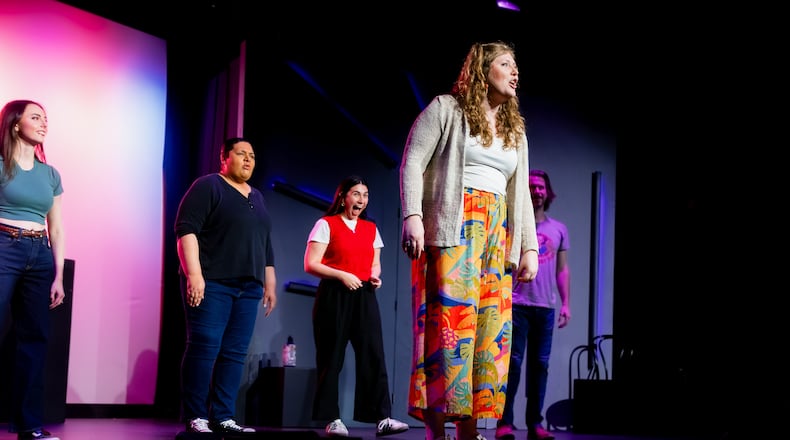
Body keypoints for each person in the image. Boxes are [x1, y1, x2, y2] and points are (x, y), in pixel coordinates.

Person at [399, 41, 540, 440]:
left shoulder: (516, 129)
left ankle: (470, 430)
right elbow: (412, 161)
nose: (515, 72)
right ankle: (437, 430)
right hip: (453, 225)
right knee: (450, 326)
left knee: (490, 331)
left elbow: (521, 193)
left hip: (496, 234)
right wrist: (412, 216)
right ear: (482, 68)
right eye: (506, 64)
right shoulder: (447, 109)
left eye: (516, 65)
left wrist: (528, 246)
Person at [174, 136, 278, 434]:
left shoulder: (256, 196)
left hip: (249, 287)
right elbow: (187, 231)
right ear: (225, 157)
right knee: (204, 347)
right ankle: (196, 415)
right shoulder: (208, 186)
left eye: (253, 156)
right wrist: (194, 275)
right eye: (241, 153)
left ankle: (223, 415)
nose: (248, 160)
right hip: (214, 283)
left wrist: (269, 282)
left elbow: (264, 243)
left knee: (234, 352)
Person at [304, 175, 410, 438]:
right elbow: (311, 263)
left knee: (373, 355)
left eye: (365, 195)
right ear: (343, 197)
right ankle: (332, 419)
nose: (361, 200)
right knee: (331, 357)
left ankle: (382, 417)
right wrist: (341, 275)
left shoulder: (370, 228)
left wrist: (375, 275)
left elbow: (375, 262)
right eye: (356, 194)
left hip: (363, 294)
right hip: (334, 295)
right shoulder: (325, 224)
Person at [0, 99, 66, 440]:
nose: (43, 123)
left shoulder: (50, 174)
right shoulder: (0, 165)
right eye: (35, 117)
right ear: (15, 124)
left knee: (35, 339)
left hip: (39, 254)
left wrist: (59, 275)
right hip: (3, 246)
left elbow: (56, 227)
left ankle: (29, 425)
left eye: (46, 118)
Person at [496, 169, 570, 440]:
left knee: (540, 365)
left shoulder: (558, 229)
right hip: (516, 304)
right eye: (532, 187)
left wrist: (566, 304)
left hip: (545, 307)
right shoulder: (510, 226)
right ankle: (505, 423)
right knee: (513, 364)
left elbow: (562, 270)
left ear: (547, 193)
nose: (537, 191)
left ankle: (534, 425)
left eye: (541, 187)